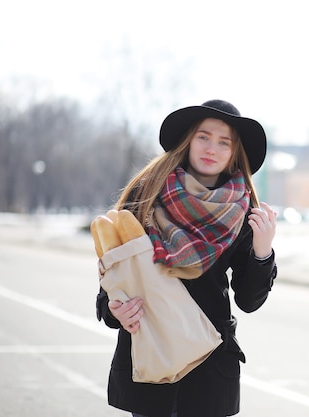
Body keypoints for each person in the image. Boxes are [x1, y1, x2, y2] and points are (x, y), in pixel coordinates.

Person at [95, 99, 278, 417]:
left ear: (235, 153)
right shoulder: (147, 194)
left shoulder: (243, 211)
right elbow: (115, 274)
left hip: (209, 371)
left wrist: (263, 251)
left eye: (225, 142)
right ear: (188, 140)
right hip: (152, 358)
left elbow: (248, 300)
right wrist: (114, 311)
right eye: (204, 137)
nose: (212, 149)